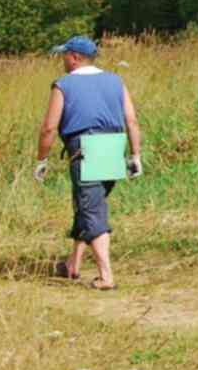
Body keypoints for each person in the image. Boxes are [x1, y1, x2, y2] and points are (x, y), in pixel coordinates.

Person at [33, 36, 143, 290]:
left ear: (74, 57)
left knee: (91, 211)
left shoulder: (63, 85)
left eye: (64, 55)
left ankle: (106, 276)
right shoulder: (116, 80)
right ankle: (73, 265)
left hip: (85, 149)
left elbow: (49, 128)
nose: (63, 60)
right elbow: (132, 120)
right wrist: (135, 156)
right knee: (89, 204)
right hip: (114, 148)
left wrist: (41, 160)